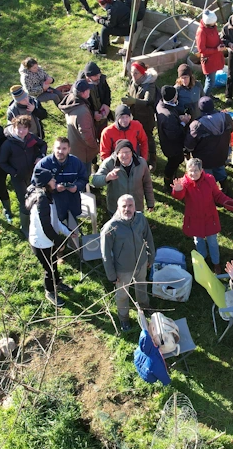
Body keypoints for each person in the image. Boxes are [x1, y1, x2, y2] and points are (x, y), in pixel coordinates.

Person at [172, 158, 233, 274]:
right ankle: (203, 260)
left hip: (209, 218)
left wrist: (228, 202)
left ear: (201, 170)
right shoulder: (184, 182)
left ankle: (216, 263)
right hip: (194, 219)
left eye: (196, 170)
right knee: (198, 241)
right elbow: (180, 196)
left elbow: (218, 195)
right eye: (190, 171)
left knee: (212, 241)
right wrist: (177, 191)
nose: (193, 174)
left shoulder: (209, 180)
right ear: (186, 171)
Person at [100, 194, 155, 332]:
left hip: (141, 263)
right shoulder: (110, 227)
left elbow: (148, 237)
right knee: (123, 295)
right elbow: (105, 254)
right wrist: (111, 275)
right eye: (124, 206)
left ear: (135, 206)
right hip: (122, 269)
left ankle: (144, 306)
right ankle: (123, 318)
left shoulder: (141, 218)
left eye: (130, 205)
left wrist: (150, 257)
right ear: (118, 208)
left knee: (142, 286)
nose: (127, 209)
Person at [25, 168, 75, 306]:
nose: (54, 181)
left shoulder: (46, 195)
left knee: (53, 265)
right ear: (45, 183)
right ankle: (50, 292)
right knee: (49, 269)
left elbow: (55, 221)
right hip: (41, 243)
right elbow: (46, 228)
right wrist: (59, 242)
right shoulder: (42, 201)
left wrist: (68, 232)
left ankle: (57, 283)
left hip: (48, 241)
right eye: (52, 179)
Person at [0, 114, 47, 236]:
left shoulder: (30, 138)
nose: (22, 131)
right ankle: (24, 227)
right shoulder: (8, 144)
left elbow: (43, 144)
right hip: (18, 178)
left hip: (32, 175)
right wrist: (14, 173)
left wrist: (40, 156)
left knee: (36, 197)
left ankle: (35, 220)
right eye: (19, 128)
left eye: (25, 128)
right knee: (24, 202)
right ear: (14, 127)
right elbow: (2, 162)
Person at [33, 136, 90, 225]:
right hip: (52, 201)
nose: (60, 151)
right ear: (53, 148)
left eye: (64, 149)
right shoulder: (43, 164)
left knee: (72, 224)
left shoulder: (76, 162)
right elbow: (35, 183)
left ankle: (72, 232)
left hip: (72, 200)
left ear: (69, 149)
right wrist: (54, 188)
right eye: (58, 148)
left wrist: (76, 187)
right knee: (55, 225)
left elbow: (84, 178)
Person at [184, 96, 233, 192]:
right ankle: (225, 188)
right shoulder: (226, 117)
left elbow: (189, 145)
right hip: (221, 153)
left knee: (206, 178)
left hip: (204, 160)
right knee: (220, 170)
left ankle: (209, 194)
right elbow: (231, 128)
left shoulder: (197, 126)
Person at [92, 140, 156, 214]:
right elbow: (95, 181)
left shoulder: (141, 163)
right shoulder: (109, 163)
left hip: (136, 207)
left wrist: (150, 203)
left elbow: (147, 183)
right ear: (117, 153)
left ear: (132, 152)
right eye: (121, 153)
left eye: (127, 152)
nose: (125, 155)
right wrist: (107, 178)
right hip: (116, 208)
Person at [156, 86, 192, 192]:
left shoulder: (161, 104)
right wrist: (183, 122)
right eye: (176, 95)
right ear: (173, 98)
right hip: (172, 146)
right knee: (173, 163)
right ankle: (168, 183)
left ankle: (171, 177)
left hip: (166, 141)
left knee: (175, 161)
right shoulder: (168, 116)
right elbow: (175, 134)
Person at [124, 61, 159, 167]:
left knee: (148, 137)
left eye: (136, 73)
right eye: (132, 73)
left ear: (143, 73)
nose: (133, 76)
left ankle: (152, 158)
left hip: (146, 117)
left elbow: (148, 100)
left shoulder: (149, 84)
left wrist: (134, 101)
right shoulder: (134, 81)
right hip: (135, 115)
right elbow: (131, 93)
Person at [59, 81, 99, 168]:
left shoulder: (71, 101)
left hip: (74, 148)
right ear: (83, 93)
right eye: (88, 89)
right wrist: (96, 147)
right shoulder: (82, 112)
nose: (89, 91)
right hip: (83, 153)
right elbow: (86, 135)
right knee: (84, 176)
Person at [195, 10, 227, 96]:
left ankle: (209, 95)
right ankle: (204, 99)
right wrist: (216, 49)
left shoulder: (213, 27)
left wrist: (221, 43)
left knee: (211, 80)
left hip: (215, 57)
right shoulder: (201, 32)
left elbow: (216, 37)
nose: (215, 24)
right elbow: (202, 50)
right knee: (210, 81)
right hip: (209, 60)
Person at [75, 61, 112, 130]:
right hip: (89, 120)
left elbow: (107, 91)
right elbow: (79, 105)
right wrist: (92, 113)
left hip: (102, 116)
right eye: (95, 76)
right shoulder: (80, 87)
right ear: (87, 77)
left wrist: (106, 104)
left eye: (99, 74)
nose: (98, 77)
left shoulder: (100, 79)